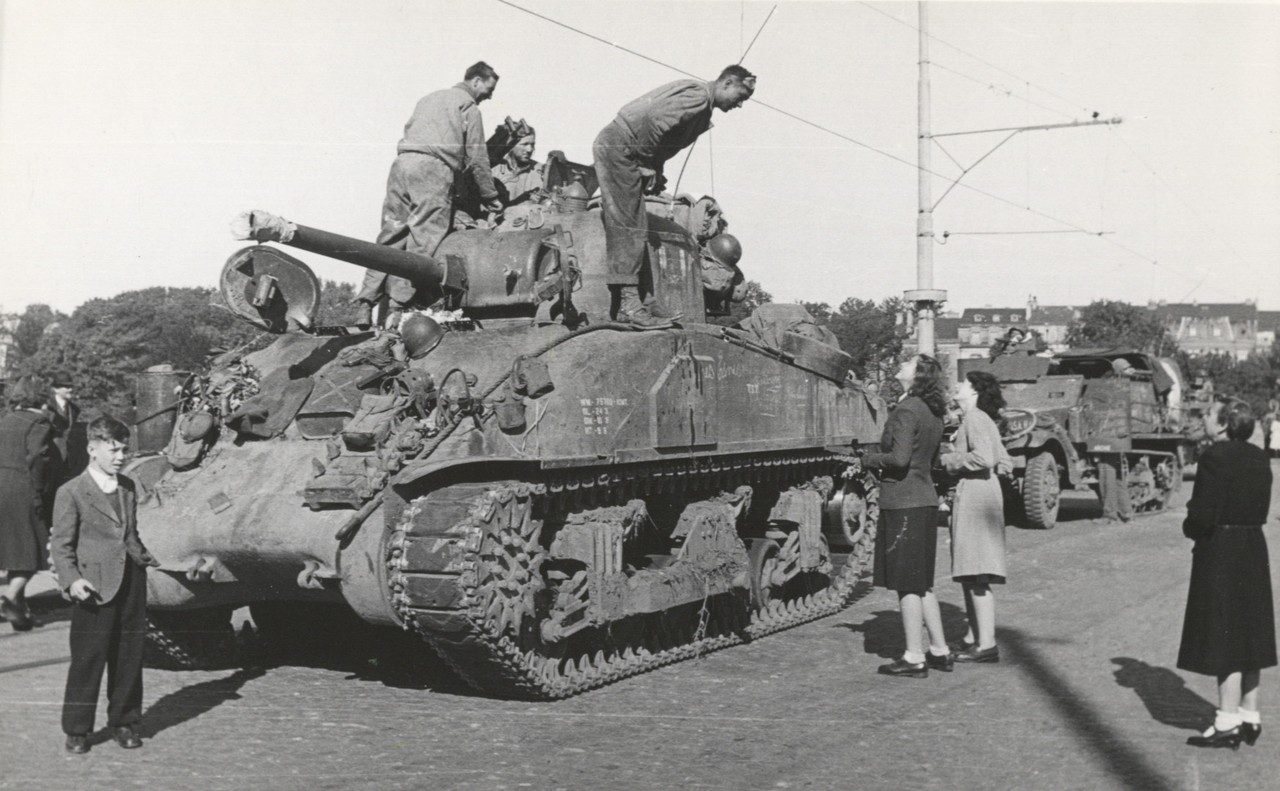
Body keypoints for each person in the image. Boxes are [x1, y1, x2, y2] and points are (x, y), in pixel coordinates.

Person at [593, 65, 756, 326]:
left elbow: (662, 132)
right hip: (620, 148)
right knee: (628, 224)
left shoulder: (702, 102)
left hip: (626, 149)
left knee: (639, 224)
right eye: (740, 97)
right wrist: (646, 162)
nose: (739, 105)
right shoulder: (699, 97)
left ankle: (643, 301)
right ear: (726, 83)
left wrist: (655, 168)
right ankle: (628, 306)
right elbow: (654, 121)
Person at [354, 61, 504, 326]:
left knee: (389, 236)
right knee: (422, 239)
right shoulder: (467, 106)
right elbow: (478, 157)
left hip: (402, 164)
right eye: (488, 90)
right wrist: (491, 198)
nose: (488, 97)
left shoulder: (428, 98)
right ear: (476, 81)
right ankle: (399, 308)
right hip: (434, 169)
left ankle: (365, 303)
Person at [50, 416, 160, 754]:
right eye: (113, 449)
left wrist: (143, 558)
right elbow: (61, 546)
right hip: (92, 586)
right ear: (92, 448)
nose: (121, 456)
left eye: (124, 449)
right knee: (88, 658)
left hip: (130, 582)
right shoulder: (71, 492)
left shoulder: (126, 486)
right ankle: (77, 729)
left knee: (129, 656)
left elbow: (129, 534)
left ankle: (124, 722)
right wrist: (73, 581)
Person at [1178, 401, 1274, 749]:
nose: (1203, 417)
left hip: (1222, 549)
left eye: (1209, 414)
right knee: (1250, 631)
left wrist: (1190, 527)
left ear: (1222, 427)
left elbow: (1202, 514)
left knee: (1225, 633)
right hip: (1252, 545)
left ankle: (1227, 722)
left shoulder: (1215, 457)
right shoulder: (1260, 457)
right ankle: (1250, 716)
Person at [862, 355, 951, 677]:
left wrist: (867, 460)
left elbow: (899, 460)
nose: (900, 364)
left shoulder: (906, 409)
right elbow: (933, 461)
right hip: (924, 501)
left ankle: (915, 657)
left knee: (907, 586)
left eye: (908, 362)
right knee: (923, 583)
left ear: (916, 376)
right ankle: (940, 650)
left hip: (903, 504)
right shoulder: (932, 411)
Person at [941, 371, 1013, 663]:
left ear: (973, 392)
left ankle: (986, 644)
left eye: (962, 383)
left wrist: (950, 460)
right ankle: (974, 637)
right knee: (971, 571)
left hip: (976, 496)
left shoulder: (974, 419)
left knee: (978, 572)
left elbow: (986, 458)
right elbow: (1004, 462)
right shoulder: (981, 419)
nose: (956, 386)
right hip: (981, 493)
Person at [0, 374, 55, 632]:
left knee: (16, 552)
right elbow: (39, 458)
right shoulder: (39, 420)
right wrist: (40, 488)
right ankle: (9, 598)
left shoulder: (8, 418)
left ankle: (19, 614)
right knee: (33, 552)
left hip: (2, 485)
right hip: (24, 488)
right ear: (41, 395)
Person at [46, 370, 85, 485]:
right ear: (55, 389)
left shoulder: (74, 409)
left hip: (70, 460)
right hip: (51, 459)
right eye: (66, 387)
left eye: (71, 386)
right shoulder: (47, 408)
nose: (70, 389)